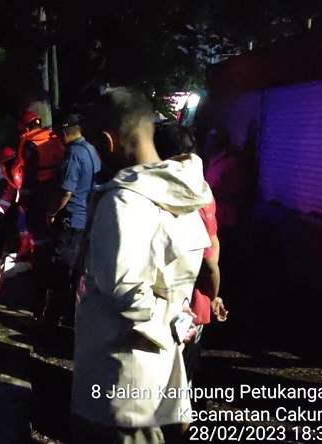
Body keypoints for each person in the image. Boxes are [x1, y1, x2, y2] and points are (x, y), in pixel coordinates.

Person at [71, 88, 213, 443]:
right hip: (161, 364)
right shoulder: (183, 190)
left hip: (119, 375)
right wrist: (173, 319)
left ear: (107, 142)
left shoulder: (122, 202)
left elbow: (126, 293)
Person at [154, 122, 229, 385]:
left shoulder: (174, 197)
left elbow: (208, 263)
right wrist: (214, 295)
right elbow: (213, 243)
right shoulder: (203, 191)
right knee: (183, 365)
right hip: (196, 299)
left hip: (182, 302)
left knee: (174, 370)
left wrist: (212, 293)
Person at [40, 112, 101, 330]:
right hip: (85, 219)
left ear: (64, 132)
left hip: (70, 220)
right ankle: (70, 315)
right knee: (76, 272)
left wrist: (51, 212)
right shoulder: (91, 150)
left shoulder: (73, 154)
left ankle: (50, 323)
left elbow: (66, 191)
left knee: (60, 271)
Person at [13, 110, 66, 264]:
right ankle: (53, 257)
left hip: (39, 189)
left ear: (25, 127)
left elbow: (29, 174)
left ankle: (39, 261)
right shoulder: (53, 137)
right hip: (56, 186)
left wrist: (23, 200)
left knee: (36, 225)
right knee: (51, 223)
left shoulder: (31, 144)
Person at [0, 145, 32, 259]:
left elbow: (24, 188)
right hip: (25, 204)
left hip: (31, 203)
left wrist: (24, 204)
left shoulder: (18, 172)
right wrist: (0, 209)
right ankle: (26, 249)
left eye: (1, 165)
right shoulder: (13, 172)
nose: (0, 168)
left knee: (27, 225)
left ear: (5, 162)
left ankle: (28, 251)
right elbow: (11, 189)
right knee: (23, 224)